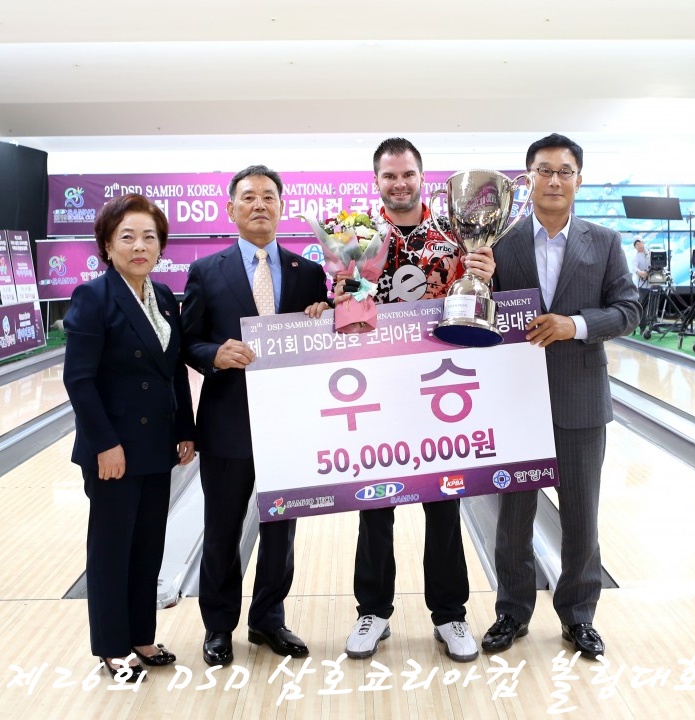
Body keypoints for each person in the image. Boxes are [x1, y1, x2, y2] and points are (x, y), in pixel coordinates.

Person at [335, 137, 496, 663]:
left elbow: (478, 304)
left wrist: (485, 273)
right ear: (376, 181)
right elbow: (343, 312)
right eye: (389, 175)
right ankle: (373, 612)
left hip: (440, 389)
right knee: (374, 507)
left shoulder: (455, 234)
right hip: (377, 390)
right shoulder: (357, 237)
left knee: (444, 505)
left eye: (407, 174)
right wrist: (333, 299)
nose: (399, 183)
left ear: (421, 178)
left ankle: (450, 614)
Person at [480, 133, 641, 659]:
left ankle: (578, 616)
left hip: (580, 399)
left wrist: (575, 325)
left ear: (579, 179)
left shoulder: (604, 241)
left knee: (581, 516)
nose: (554, 180)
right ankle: (512, 611)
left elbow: (628, 310)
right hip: (516, 402)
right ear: (527, 178)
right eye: (544, 170)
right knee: (513, 518)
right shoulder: (499, 244)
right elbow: (482, 316)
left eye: (564, 171)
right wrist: (479, 283)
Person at [181, 165, 331, 666]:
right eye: (249, 197)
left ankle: (269, 619)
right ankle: (218, 626)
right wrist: (214, 354)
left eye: (269, 196)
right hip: (227, 421)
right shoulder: (207, 271)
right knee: (222, 530)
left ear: (282, 207)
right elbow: (188, 340)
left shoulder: (308, 273)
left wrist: (324, 319)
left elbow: (326, 341)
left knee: (281, 530)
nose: (259, 204)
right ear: (231, 209)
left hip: (289, 423)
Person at [63, 194, 196, 682]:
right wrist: (104, 444)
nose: (140, 246)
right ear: (107, 244)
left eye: (149, 237)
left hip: (156, 445)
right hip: (113, 449)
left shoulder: (162, 296)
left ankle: (141, 635)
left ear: (160, 246)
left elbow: (173, 370)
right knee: (111, 549)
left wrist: (185, 429)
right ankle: (112, 647)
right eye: (128, 237)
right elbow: (79, 379)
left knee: (147, 547)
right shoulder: (94, 297)